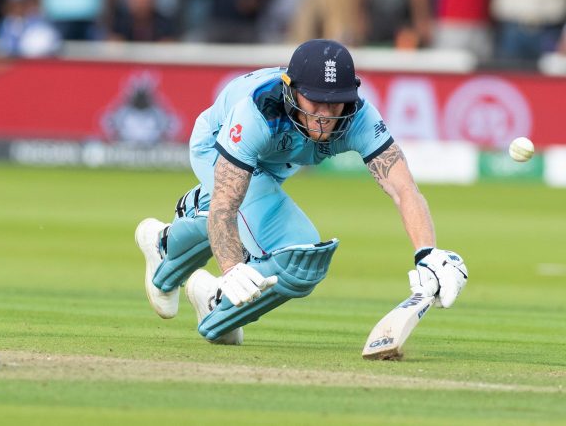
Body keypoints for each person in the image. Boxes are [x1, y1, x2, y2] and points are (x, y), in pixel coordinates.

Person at [134, 39, 468, 345]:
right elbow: (225, 206)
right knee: (299, 257)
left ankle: (167, 247)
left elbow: (404, 189)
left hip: (278, 160)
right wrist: (232, 271)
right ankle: (213, 295)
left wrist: (427, 253)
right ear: (290, 91)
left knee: (257, 227)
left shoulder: (359, 117)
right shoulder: (256, 114)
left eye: (335, 104)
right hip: (217, 146)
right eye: (315, 101)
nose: (324, 116)